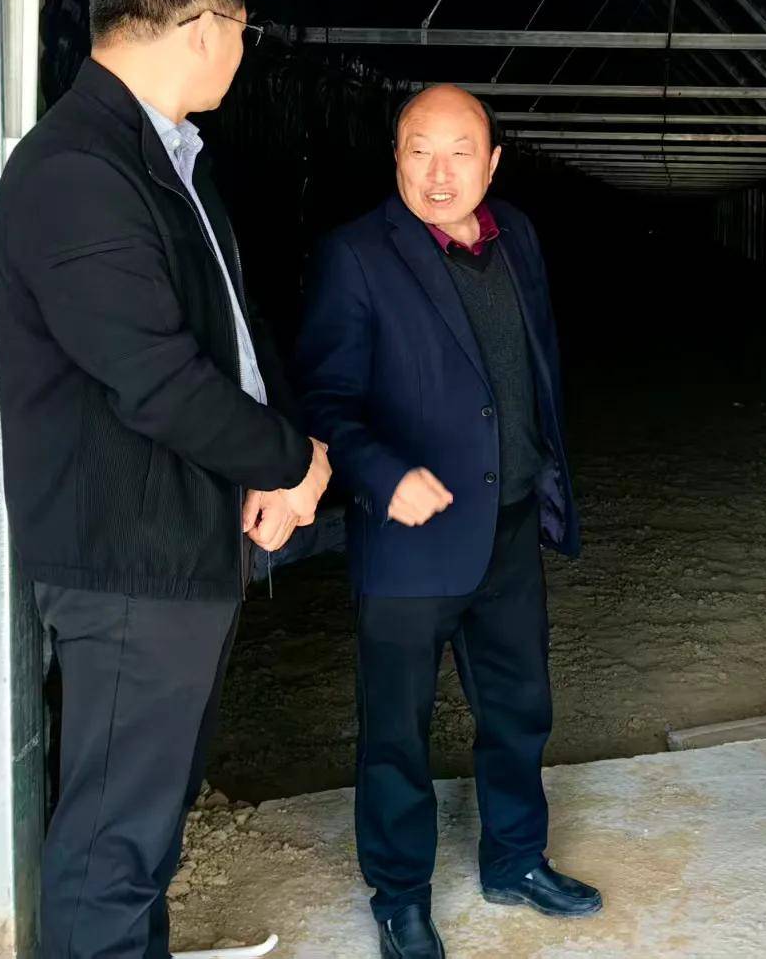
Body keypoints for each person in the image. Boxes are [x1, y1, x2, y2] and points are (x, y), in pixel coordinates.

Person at [0, 0, 332, 959]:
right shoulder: (76, 171)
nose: (242, 49)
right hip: (130, 558)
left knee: (142, 828)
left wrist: (275, 454)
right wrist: (291, 459)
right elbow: (157, 381)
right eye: (242, 29)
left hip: (180, 540)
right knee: (112, 848)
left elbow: (228, 332)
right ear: (203, 25)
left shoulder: (161, 157)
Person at [293, 85, 600, 959]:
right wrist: (382, 472)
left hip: (507, 526)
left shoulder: (518, 237)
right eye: (419, 150)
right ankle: (400, 897)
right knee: (397, 730)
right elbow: (325, 397)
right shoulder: (357, 255)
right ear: (394, 157)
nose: (439, 172)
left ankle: (516, 858)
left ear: (491, 162)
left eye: (460, 152)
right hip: (408, 541)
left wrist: (540, 467)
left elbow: (533, 365)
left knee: (519, 706)